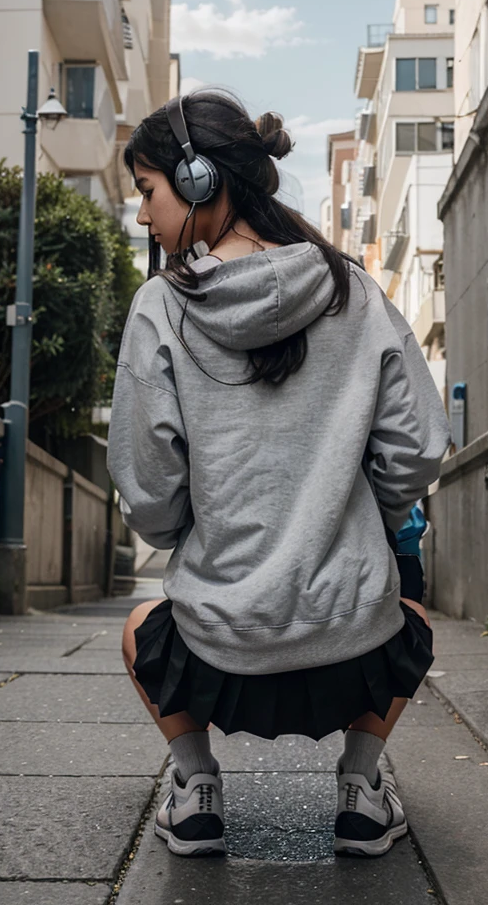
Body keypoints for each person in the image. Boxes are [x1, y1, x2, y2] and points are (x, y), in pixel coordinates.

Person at [107, 89, 452, 860]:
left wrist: (193, 532)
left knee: (138, 631)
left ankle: (196, 791)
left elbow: (148, 488)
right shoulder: (354, 291)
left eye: (147, 192)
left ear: (198, 180)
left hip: (215, 652)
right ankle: (362, 793)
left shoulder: (160, 307)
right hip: (355, 647)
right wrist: (362, 513)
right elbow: (420, 446)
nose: (143, 216)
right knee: (415, 620)